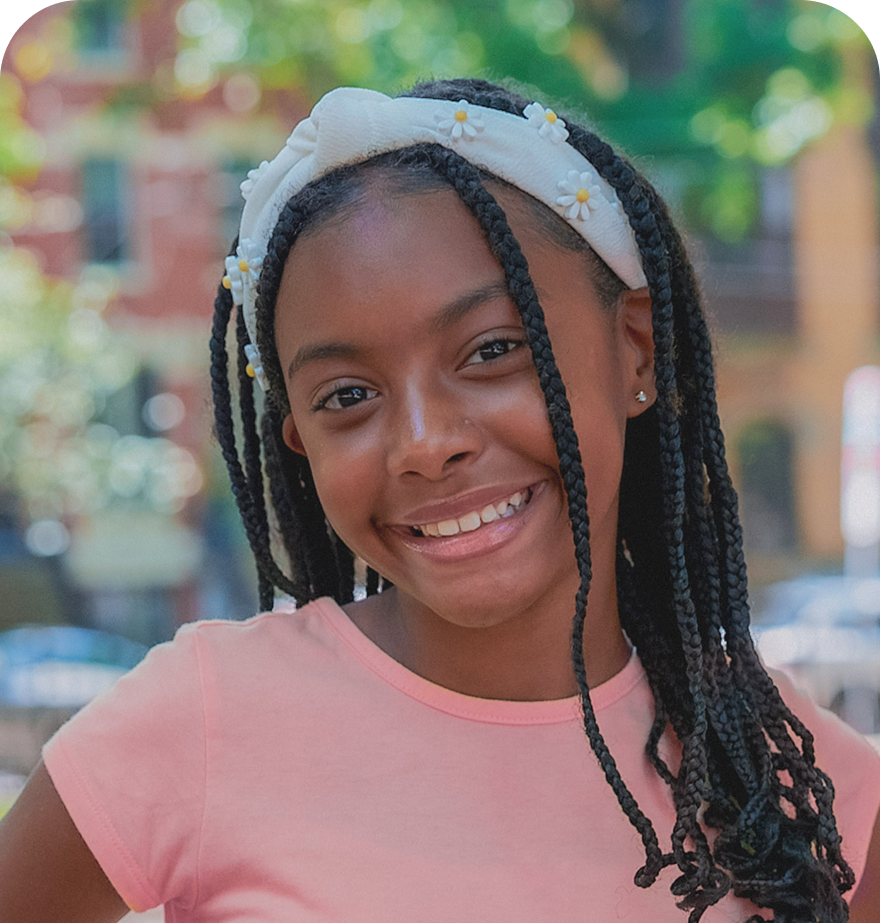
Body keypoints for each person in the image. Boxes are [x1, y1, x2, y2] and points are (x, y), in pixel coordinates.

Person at [1, 77, 879, 923]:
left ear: (637, 350)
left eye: (493, 349)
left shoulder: (796, 775)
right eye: (348, 395)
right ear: (299, 441)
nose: (424, 442)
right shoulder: (195, 723)